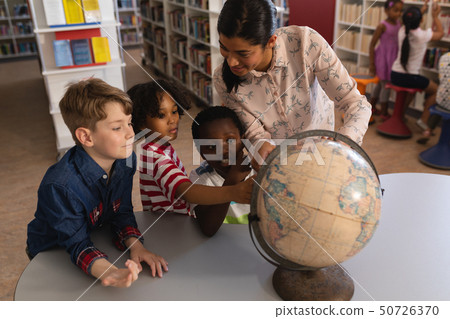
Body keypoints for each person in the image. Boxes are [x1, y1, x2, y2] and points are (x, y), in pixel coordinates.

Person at [27, 78, 168, 288]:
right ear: (86, 137)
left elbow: (122, 211)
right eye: (117, 128)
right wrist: (111, 273)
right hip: (52, 253)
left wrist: (137, 247)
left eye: (129, 122)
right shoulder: (60, 186)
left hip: (93, 232)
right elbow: (77, 245)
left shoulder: (126, 160)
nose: (131, 133)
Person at [213, 0, 372, 170]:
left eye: (243, 53)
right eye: (224, 48)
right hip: (280, 166)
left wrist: (344, 142)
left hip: (324, 156)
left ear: (271, 41)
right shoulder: (222, 80)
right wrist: (260, 145)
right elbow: (254, 131)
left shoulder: (306, 43)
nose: (231, 62)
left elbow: (356, 104)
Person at [127, 79, 254, 217]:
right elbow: (186, 192)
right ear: (141, 123)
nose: (172, 120)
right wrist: (233, 191)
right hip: (169, 228)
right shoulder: (154, 156)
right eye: (161, 115)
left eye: (174, 111)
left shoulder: (158, 147)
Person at [190, 106, 253, 236]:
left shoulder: (258, 169)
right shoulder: (199, 178)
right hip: (223, 247)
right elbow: (208, 229)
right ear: (200, 150)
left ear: (243, 140)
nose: (222, 150)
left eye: (230, 140)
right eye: (212, 146)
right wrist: (232, 180)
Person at [390, 3, 444, 142]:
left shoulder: (402, 30)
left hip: (395, 74)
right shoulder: (422, 35)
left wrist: (421, 11)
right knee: (436, 90)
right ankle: (423, 120)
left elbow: (411, 20)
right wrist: (435, 16)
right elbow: (440, 33)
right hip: (410, 77)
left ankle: (400, 116)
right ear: (420, 21)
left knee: (411, 90)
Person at [369, 0, 404, 121]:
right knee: (386, 86)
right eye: (395, 10)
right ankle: (384, 112)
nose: (398, 13)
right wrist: (372, 64)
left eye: (400, 11)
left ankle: (371, 107)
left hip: (393, 59)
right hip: (383, 59)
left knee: (380, 84)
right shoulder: (382, 25)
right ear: (386, 11)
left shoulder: (399, 23)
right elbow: (372, 44)